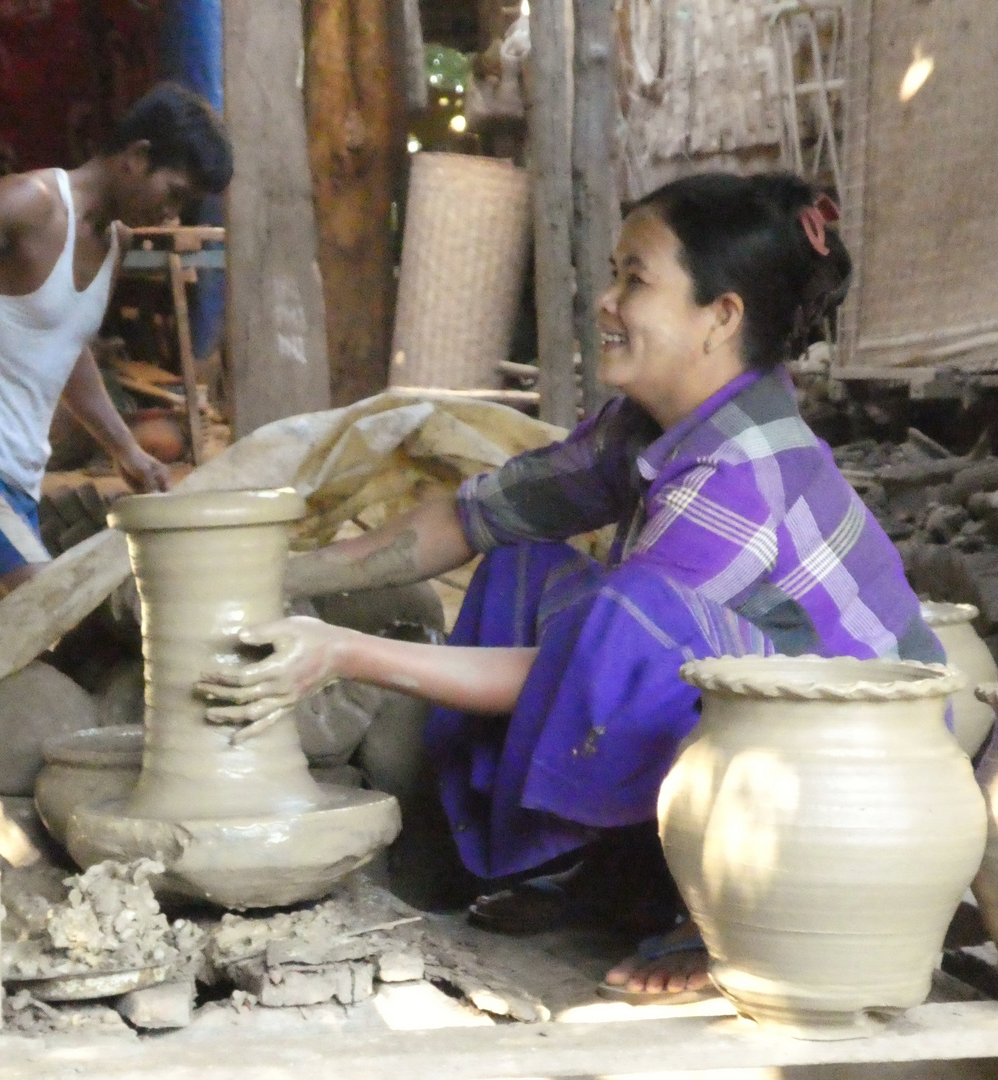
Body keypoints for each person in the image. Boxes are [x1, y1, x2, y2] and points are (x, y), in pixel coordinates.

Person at [194, 172, 944, 1003]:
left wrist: (342, 651)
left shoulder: (740, 472)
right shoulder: (657, 426)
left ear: (720, 316)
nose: (606, 303)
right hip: (753, 745)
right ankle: (582, 868)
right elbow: (477, 517)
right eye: (614, 273)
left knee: (627, 614)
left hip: (847, 798)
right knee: (523, 567)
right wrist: (280, 574)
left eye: (636, 280)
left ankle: (724, 917)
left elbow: (597, 660)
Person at [0, 82, 232, 623]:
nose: (172, 213)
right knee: (54, 619)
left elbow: (67, 352)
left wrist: (127, 451)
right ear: (136, 157)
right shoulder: (31, 204)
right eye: (173, 192)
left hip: (15, 481)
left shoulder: (115, 242)